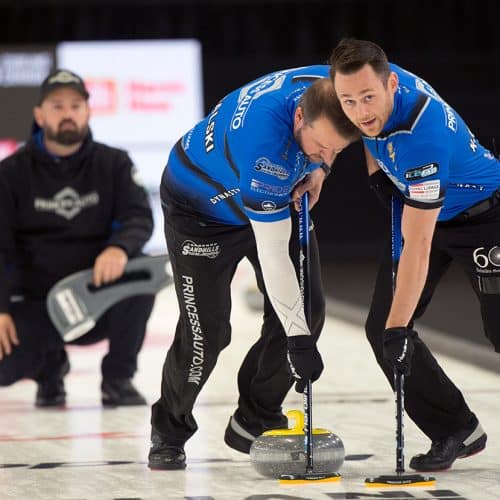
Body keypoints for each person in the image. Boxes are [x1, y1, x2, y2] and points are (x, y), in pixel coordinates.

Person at [148, 66, 360, 470]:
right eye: (318, 148)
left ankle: (255, 419)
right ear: (299, 117)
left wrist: (319, 167)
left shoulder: (328, 88)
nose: (324, 155)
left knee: (308, 311)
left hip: (273, 195)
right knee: (206, 335)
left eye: (335, 150)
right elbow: (274, 254)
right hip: (202, 214)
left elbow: (332, 132)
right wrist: (299, 346)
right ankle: (169, 429)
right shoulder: (266, 149)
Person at [329, 38, 500, 472]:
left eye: (369, 97)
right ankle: (454, 429)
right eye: (348, 100)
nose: (360, 109)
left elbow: (418, 245)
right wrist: (376, 174)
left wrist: (400, 327)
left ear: (390, 84)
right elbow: (369, 129)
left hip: (484, 217)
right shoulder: (370, 83)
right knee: (380, 329)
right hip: (425, 212)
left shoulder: (423, 140)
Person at [0, 69, 156, 408]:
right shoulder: (10, 173)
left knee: (141, 271)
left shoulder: (114, 163)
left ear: (87, 111)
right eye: (57, 106)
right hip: (38, 304)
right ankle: (48, 370)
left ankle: (118, 378)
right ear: (39, 115)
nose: (67, 113)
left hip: (97, 296)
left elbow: (139, 217)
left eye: (75, 105)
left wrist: (118, 247)